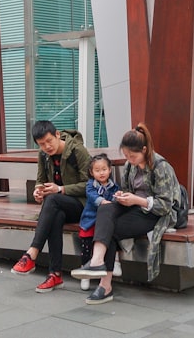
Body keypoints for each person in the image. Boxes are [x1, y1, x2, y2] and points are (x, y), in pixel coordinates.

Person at [71, 123, 180, 305]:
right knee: (105, 208)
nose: (129, 159)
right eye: (126, 155)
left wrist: (137, 200)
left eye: (133, 155)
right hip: (134, 207)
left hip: (156, 212)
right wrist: (121, 195)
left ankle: (105, 286)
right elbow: (128, 189)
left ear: (144, 150)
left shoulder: (161, 166)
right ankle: (97, 260)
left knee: (111, 229)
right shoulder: (131, 165)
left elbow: (166, 205)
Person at [10, 120, 91, 293]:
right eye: (41, 144)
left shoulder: (78, 151)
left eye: (49, 141)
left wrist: (61, 189)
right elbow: (40, 180)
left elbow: (90, 185)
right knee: (56, 216)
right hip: (59, 206)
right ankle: (55, 274)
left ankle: (32, 253)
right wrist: (38, 191)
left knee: (53, 200)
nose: (47, 147)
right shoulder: (43, 155)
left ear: (57, 135)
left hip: (83, 205)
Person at [76, 153, 119, 291]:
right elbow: (92, 196)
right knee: (86, 248)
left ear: (110, 169)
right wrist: (103, 202)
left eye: (104, 169)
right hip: (90, 220)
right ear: (91, 172)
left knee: (111, 239)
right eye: (97, 170)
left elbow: (116, 199)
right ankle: (85, 273)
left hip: (105, 221)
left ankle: (114, 263)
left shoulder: (114, 186)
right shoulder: (90, 185)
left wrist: (118, 198)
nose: (101, 173)